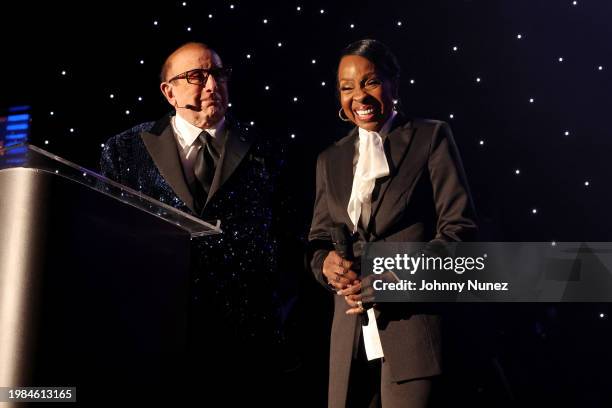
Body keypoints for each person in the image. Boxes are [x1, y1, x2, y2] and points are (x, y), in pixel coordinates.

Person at [100, 42, 282, 395]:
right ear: (169, 92)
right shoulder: (124, 150)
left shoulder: (266, 149)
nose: (212, 85)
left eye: (218, 74)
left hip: (246, 341)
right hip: (155, 333)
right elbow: (110, 243)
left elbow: (288, 233)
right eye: (196, 77)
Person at [308, 39, 478, 407]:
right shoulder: (329, 159)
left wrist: (395, 280)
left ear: (394, 84)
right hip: (349, 338)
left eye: (370, 82)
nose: (359, 97)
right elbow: (318, 238)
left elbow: (459, 233)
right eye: (347, 87)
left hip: (413, 330)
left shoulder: (430, 137)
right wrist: (324, 264)